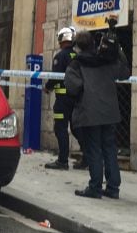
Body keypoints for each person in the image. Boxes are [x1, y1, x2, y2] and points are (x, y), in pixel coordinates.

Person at [65, 20, 131, 199]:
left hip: (89, 112)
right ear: (93, 44)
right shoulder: (107, 61)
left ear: (77, 46)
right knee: (109, 148)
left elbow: (72, 87)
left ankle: (95, 187)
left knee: (94, 149)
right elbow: (125, 73)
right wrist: (118, 50)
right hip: (109, 111)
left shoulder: (76, 64)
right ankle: (113, 188)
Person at [44, 26, 86, 170]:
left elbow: (55, 77)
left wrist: (47, 87)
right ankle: (87, 158)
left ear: (62, 39)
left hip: (62, 100)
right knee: (76, 128)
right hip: (76, 99)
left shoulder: (60, 56)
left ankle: (62, 161)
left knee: (60, 128)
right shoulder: (77, 56)